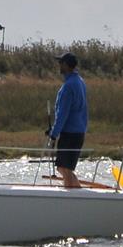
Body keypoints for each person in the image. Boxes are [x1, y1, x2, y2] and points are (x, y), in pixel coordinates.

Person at [47, 52, 88, 188]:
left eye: (61, 63)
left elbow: (62, 113)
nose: (59, 65)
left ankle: (75, 196)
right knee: (63, 168)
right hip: (78, 132)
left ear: (66, 65)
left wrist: (53, 135)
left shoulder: (68, 86)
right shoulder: (79, 82)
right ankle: (74, 192)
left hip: (70, 134)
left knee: (64, 168)